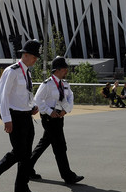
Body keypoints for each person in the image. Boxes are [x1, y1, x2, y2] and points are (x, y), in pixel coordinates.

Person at [0, 40, 41, 192]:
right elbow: (3, 96)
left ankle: (21, 189)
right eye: (34, 57)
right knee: (19, 152)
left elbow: (27, 94)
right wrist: (6, 119)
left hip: (26, 116)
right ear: (25, 55)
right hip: (14, 117)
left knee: (26, 154)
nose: (36, 60)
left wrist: (33, 105)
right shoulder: (12, 71)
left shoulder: (27, 72)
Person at [28, 56, 84, 185]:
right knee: (60, 146)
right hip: (49, 119)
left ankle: (27, 168)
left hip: (59, 118)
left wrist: (66, 110)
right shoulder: (47, 84)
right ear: (57, 70)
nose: (66, 71)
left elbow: (70, 97)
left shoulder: (64, 84)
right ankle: (68, 176)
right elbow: (37, 100)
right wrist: (49, 111)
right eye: (65, 69)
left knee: (44, 144)